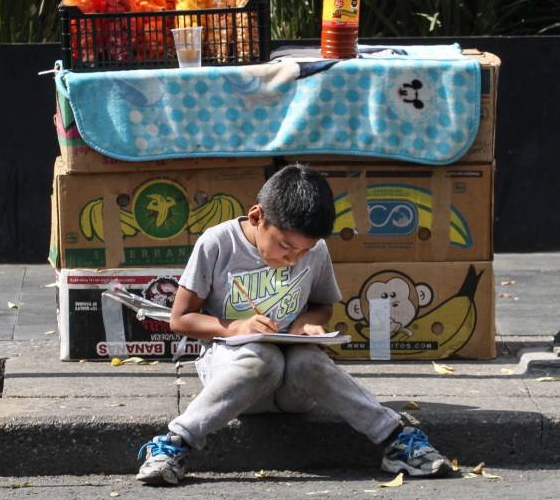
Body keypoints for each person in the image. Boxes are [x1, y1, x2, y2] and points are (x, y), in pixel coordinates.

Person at [136, 164, 453, 485]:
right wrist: (235, 328)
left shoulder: (316, 251)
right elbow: (181, 318)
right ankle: (173, 443)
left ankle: (397, 440)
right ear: (257, 217)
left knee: (309, 361)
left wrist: (306, 325)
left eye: (304, 251)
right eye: (285, 246)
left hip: (295, 392)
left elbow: (321, 306)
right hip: (236, 378)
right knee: (262, 359)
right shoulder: (217, 243)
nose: (294, 259)